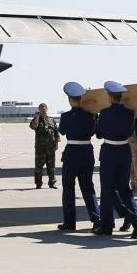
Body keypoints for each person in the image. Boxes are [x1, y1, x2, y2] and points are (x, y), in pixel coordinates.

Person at [93, 81, 137, 238]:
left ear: (109, 97)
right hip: (124, 151)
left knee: (107, 190)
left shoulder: (105, 113)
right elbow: (130, 132)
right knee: (125, 189)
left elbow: (99, 133)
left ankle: (107, 226)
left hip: (109, 152)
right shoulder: (129, 113)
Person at [57, 82, 101, 233]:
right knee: (88, 188)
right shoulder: (90, 116)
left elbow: (61, 131)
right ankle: (96, 219)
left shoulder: (66, 116)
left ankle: (70, 222)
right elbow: (94, 131)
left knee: (69, 188)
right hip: (87, 153)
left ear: (70, 99)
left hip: (71, 154)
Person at [30, 102, 60, 189]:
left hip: (50, 147)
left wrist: (56, 144)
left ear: (47, 109)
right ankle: (38, 183)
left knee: (51, 166)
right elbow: (33, 126)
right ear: (39, 110)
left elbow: (56, 132)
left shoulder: (51, 120)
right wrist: (37, 117)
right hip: (40, 148)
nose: (43, 110)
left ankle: (52, 183)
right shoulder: (37, 119)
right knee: (39, 167)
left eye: (44, 109)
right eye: (41, 109)